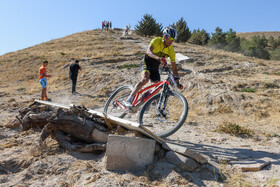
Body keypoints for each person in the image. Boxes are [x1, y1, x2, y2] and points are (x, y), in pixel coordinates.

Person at [124, 27, 182, 108]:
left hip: (155, 67)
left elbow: (174, 67)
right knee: (145, 79)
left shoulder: (171, 50)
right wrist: (158, 58)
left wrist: (178, 82)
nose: (172, 41)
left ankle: (139, 102)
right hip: (146, 62)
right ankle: (129, 99)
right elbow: (148, 51)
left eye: (174, 39)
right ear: (165, 37)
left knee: (157, 88)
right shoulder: (157, 40)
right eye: (171, 39)